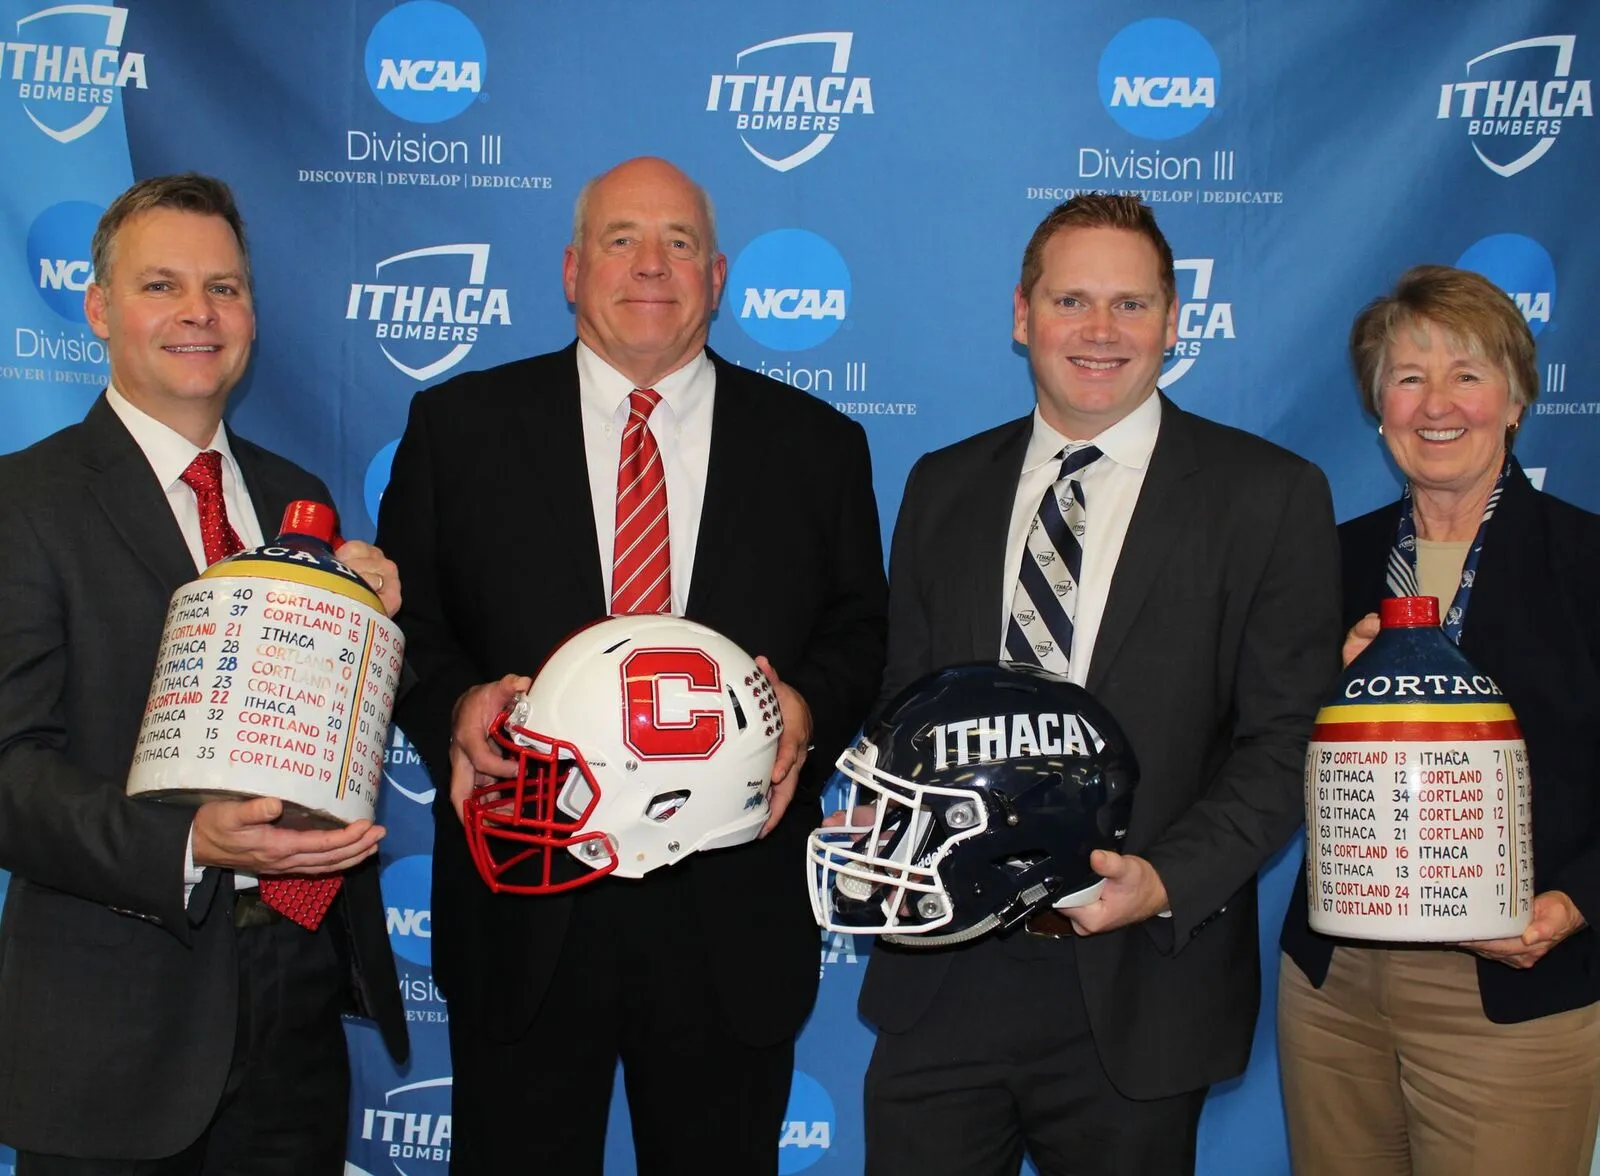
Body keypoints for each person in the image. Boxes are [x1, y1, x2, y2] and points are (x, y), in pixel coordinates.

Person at [374, 155, 887, 1175]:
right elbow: (404, 627)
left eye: (679, 243)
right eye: (621, 240)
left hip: (731, 905)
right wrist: (457, 706)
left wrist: (804, 707)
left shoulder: (817, 445)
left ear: (718, 277)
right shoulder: (460, 428)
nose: (651, 265)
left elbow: (861, 630)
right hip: (524, 893)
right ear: (572, 271)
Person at [855, 194, 1341, 1176]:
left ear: (1173, 321)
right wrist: (882, 809)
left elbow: (1288, 739)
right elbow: (905, 701)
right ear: (1021, 314)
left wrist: (1164, 882)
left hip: (1139, 985)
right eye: (1071, 299)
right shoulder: (942, 485)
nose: (1099, 330)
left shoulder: (1268, 494)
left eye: (1130, 304)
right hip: (941, 981)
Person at [0, 174, 408, 1173]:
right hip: (115, 1032)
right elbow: (9, 771)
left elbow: (317, 744)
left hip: (296, 1008)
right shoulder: (23, 503)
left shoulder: (297, 497)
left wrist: (367, 635)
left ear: (252, 317)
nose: (198, 312)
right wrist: (186, 842)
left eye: (223, 288)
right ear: (99, 309)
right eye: (162, 286)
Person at [1278, 265, 1600, 1175]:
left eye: (1467, 374)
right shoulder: (1328, 561)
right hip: (1336, 987)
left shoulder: (1587, 562)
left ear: (1516, 399)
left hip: (1510, 987)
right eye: (1408, 378)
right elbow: (1263, 749)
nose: (1436, 405)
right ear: (1378, 407)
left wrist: (1576, 904)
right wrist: (1327, 693)